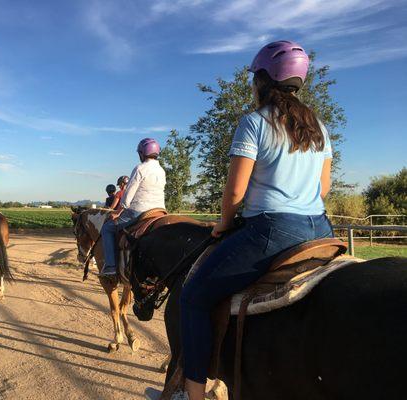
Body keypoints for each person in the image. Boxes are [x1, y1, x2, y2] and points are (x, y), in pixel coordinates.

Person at [179, 41, 334, 400]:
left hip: (272, 231)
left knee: (193, 298)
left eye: (254, 79)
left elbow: (234, 193)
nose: (252, 86)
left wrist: (224, 222)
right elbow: (323, 188)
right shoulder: (320, 129)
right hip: (320, 230)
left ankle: (191, 394)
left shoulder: (253, 123)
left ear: (263, 80)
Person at [100, 138, 166, 277]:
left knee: (107, 228)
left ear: (142, 153)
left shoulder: (140, 168)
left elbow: (128, 194)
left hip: (139, 211)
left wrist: (118, 211)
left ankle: (111, 267)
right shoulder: (161, 170)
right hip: (160, 211)